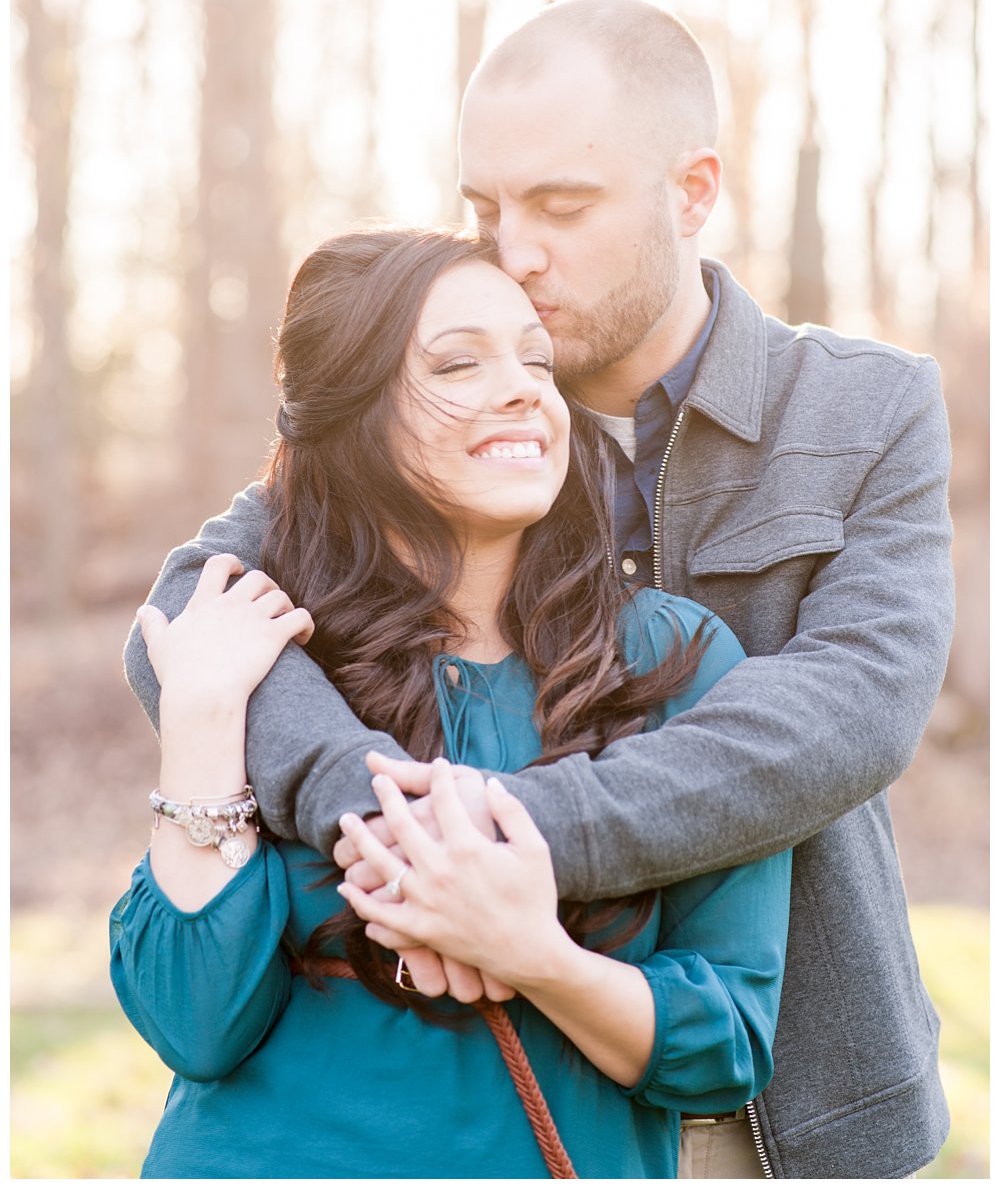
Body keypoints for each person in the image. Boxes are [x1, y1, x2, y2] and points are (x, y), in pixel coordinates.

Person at [124, 0, 954, 1178]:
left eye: (560, 206)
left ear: (692, 192)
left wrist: (506, 835)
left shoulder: (865, 408)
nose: (512, 251)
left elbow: (857, 706)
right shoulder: (443, 412)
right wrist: (379, 811)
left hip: (785, 1098)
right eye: (485, 207)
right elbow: (186, 604)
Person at [111, 226, 791, 1179]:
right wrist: (200, 725)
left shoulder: (672, 661)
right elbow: (192, 1024)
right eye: (458, 363)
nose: (523, 389)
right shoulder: (274, 654)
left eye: (536, 360)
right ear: (352, 408)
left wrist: (532, 954)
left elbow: (727, 1044)